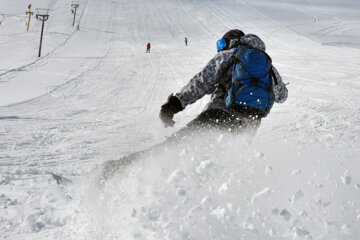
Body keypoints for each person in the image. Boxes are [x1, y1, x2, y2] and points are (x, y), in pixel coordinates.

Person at [159, 29, 288, 136]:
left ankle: (150, 160)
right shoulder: (267, 65)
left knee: (180, 146)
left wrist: (175, 104)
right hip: (247, 128)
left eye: (222, 44)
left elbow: (202, 81)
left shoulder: (228, 55)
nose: (220, 49)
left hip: (218, 115)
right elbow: (281, 96)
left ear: (232, 41)